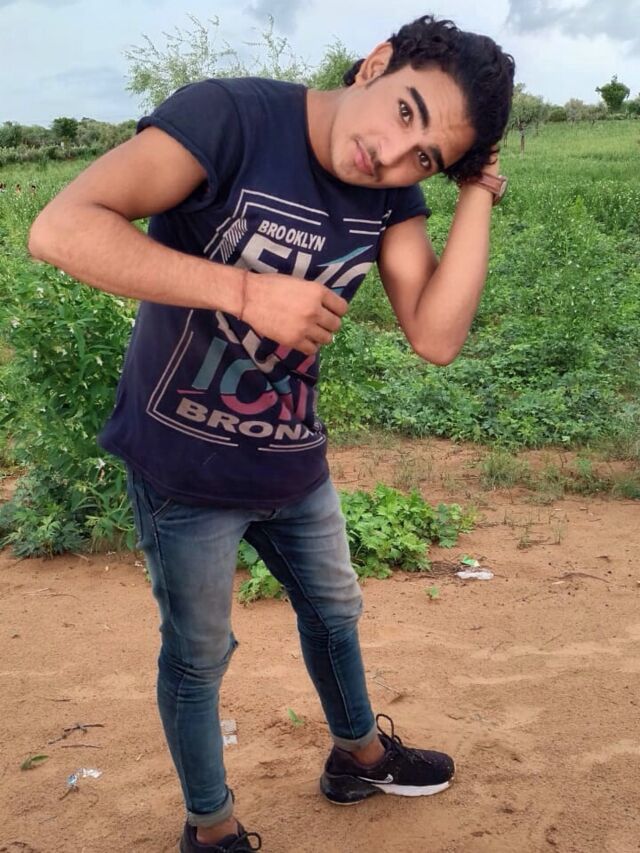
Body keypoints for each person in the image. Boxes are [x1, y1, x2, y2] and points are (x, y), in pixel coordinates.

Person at [29, 14, 514, 853]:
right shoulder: (228, 117)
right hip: (182, 463)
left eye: (426, 158)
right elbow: (61, 228)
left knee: (335, 610)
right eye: (406, 113)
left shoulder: (390, 192)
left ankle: (358, 754)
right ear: (376, 63)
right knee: (198, 654)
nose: (393, 157)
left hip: (292, 457)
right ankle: (211, 826)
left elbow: (436, 335)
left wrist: (476, 191)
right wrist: (246, 292)